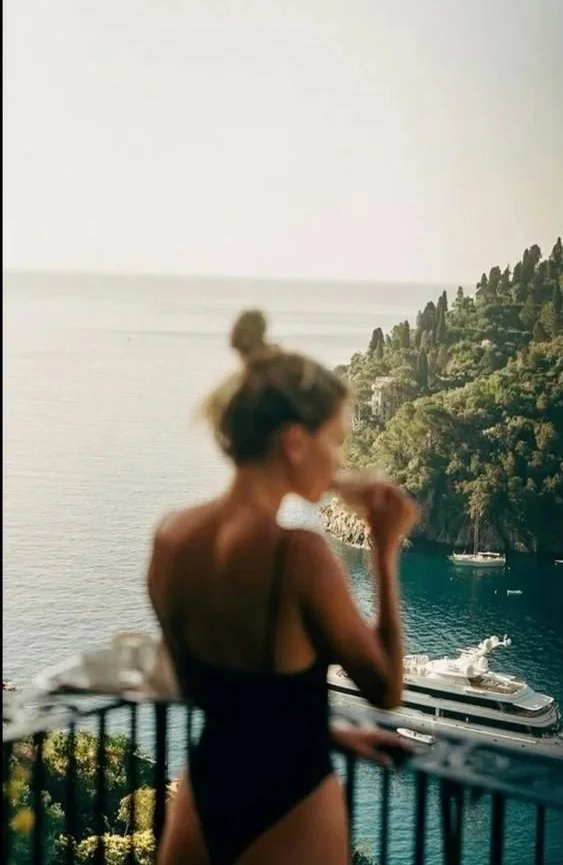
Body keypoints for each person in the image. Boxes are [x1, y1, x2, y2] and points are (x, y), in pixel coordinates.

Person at [147, 310, 418, 865]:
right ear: (295, 441)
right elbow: (387, 686)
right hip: (291, 804)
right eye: (336, 441)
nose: (340, 460)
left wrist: (323, 730)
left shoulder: (172, 539)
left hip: (204, 793)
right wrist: (384, 551)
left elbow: (218, 695)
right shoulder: (299, 555)